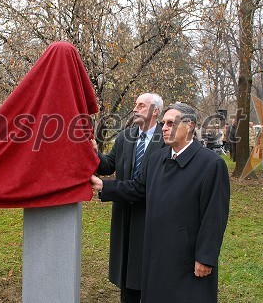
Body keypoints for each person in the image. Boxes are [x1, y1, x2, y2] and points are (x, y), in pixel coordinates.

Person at [91, 102, 230, 303]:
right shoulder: (157, 159)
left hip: (187, 259)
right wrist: (104, 186)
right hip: (155, 251)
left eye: (171, 123)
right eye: (164, 123)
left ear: (189, 126)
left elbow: (214, 216)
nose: (164, 128)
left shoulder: (211, 164)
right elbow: (137, 188)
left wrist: (205, 258)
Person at [91, 93, 165, 303]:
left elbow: (146, 186)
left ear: (155, 111)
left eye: (141, 105)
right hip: (125, 217)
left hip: (152, 216)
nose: (135, 109)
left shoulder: (166, 140)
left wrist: (105, 187)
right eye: (135, 105)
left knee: (150, 276)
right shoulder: (125, 137)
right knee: (127, 278)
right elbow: (107, 166)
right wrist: (94, 153)